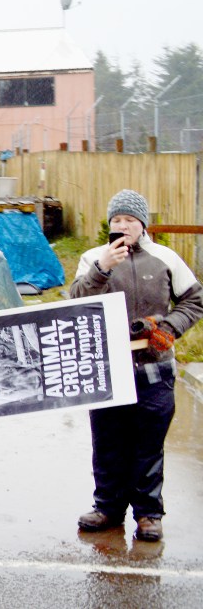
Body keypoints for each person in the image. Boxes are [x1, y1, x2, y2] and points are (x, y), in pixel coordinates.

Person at [70, 189, 203, 542]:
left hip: (155, 368)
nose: (123, 225)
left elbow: (195, 299)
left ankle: (148, 514)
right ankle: (107, 508)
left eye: (130, 219)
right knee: (108, 443)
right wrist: (102, 269)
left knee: (148, 444)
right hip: (106, 368)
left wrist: (169, 329)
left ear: (142, 224)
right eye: (117, 219)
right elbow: (75, 302)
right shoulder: (92, 258)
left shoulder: (165, 258)